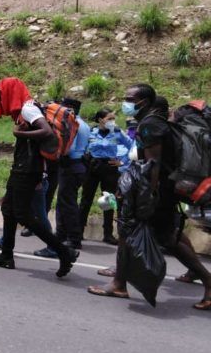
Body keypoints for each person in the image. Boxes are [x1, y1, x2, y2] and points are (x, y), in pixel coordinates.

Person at [89, 84, 211, 310]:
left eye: (129, 99)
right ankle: (120, 283)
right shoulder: (153, 123)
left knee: (163, 238)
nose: (125, 103)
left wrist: (146, 198)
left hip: (157, 193)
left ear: (143, 102)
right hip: (162, 190)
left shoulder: (150, 125)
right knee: (153, 235)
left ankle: (207, 280)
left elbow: (152, 164)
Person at [0, 78, 78, 277]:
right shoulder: (23, 111)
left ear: (12, 92)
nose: (0, 99)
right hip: (22, 168)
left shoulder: (28, 109)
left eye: (1, 94)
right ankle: (6, 255)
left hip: (28, 170)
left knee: (22, 214)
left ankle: (64, 252)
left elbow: (47, 132)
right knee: (8, 210)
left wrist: (20, 134)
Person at [79, 107, 133, 245]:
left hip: (109, 167)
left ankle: (108, 234)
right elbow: (82, 146)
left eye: (113, 118)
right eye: (109, 118)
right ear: (100, 120)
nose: (112, 121)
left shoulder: (117, 132)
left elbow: (132, 146)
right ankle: (78, 231)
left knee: (109, 200)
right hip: (92, 166)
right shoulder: (91, 132)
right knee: (86, 199)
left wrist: (122, 162)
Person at [54, 98, 90, 250]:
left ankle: (74, 238)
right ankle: (61, 234)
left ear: (69, 109)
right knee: (66, 202)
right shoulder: (84, 125)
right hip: (79, 166)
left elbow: (68, 149)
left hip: (70, 166)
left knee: (68, 204)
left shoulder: (72, 124)